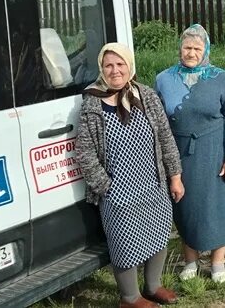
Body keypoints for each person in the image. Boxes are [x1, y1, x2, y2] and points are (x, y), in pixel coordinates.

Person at [75, 43, 182, 308]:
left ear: (129, 66)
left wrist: (175, 175)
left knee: (158, 233)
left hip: (152, 183)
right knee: (125, 243)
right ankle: (130, 298)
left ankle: (153, 286)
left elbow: (166, 137)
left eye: (120, 64)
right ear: (101, 69)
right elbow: (84, 153)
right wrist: (105, 186)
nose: (115, 70)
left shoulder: (145, 96)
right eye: (109, 65)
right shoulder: (93, 104)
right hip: (118, 190)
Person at [155, 24, 225, 284]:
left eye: (197, 48)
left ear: (206, 50)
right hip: (180, 153)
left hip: (215, 150)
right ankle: (190, 260)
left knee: (217, 206)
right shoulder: (163, 79)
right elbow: (159, 121)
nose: (191, 53)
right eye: (187, 47)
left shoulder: (220, 77)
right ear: (179, 48)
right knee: (187, 206)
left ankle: (217, 262)